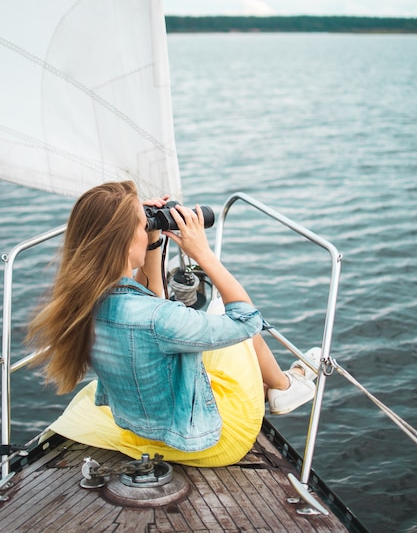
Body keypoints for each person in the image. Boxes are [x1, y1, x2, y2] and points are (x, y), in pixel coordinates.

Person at [27, 181, 320, 467]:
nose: (148, 229)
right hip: (214, 441)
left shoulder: (83, 302)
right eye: (144, 225)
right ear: (126, 242)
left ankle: (279, 385)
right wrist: (202, 254)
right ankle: (282, 386)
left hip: (142, 436)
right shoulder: (157, 318)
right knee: (222, 309)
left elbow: (151, 303)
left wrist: (153, 240)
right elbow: (247, 321)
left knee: (203, 330)